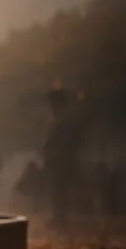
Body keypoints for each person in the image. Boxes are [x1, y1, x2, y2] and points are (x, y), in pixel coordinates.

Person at [43, 88, 83, 226]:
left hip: (61, 160)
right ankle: (59, 216)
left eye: (51, 101)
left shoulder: (64, 118)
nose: (49, 105)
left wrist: (54, 155)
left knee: (60, 189)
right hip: (57, 159)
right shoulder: (58, 117)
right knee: (57, 189)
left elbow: (65, 140)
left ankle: (61, 218)